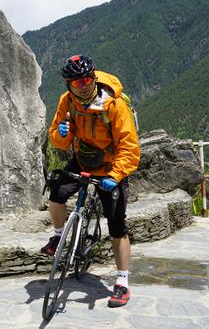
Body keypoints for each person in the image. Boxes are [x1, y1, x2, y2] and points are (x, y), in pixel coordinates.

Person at [42, 54, 140, 308]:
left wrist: (116, 176)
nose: (82, 85)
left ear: (94, 77)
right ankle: (58, 236)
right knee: (57, 193)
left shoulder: (113, 105)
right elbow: (57, 138)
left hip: (111, 164)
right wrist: (62, 135)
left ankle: (122, 282)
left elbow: (129, 146)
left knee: (117, 225)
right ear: (68, 85)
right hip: (83, 159)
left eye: (86, 79)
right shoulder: (68, 102)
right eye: (76, 82)